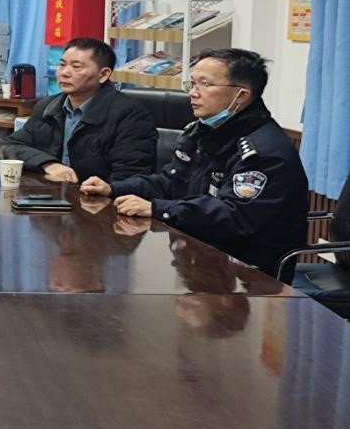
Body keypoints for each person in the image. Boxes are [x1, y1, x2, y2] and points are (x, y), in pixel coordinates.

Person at [81, 48, 309, 278]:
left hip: (247, 274)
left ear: (241, 95)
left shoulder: (264, 152)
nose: (193, 93)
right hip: (198, 255)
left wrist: (158, 209)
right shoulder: (203, 132)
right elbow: (169, 182)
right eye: (192, 83)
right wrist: (114, 188)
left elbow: (234, 216)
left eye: (205, 84)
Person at [4, 37, 157, 182]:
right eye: (62, 65)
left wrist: (101, 189)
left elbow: (131, 176)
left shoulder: (130, 115)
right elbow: (12, 146)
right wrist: (48, 164)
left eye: (76, 67)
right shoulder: (47, 106)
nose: (64, 73)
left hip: (99, 197)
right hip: (53, 194)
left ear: (103, 75)